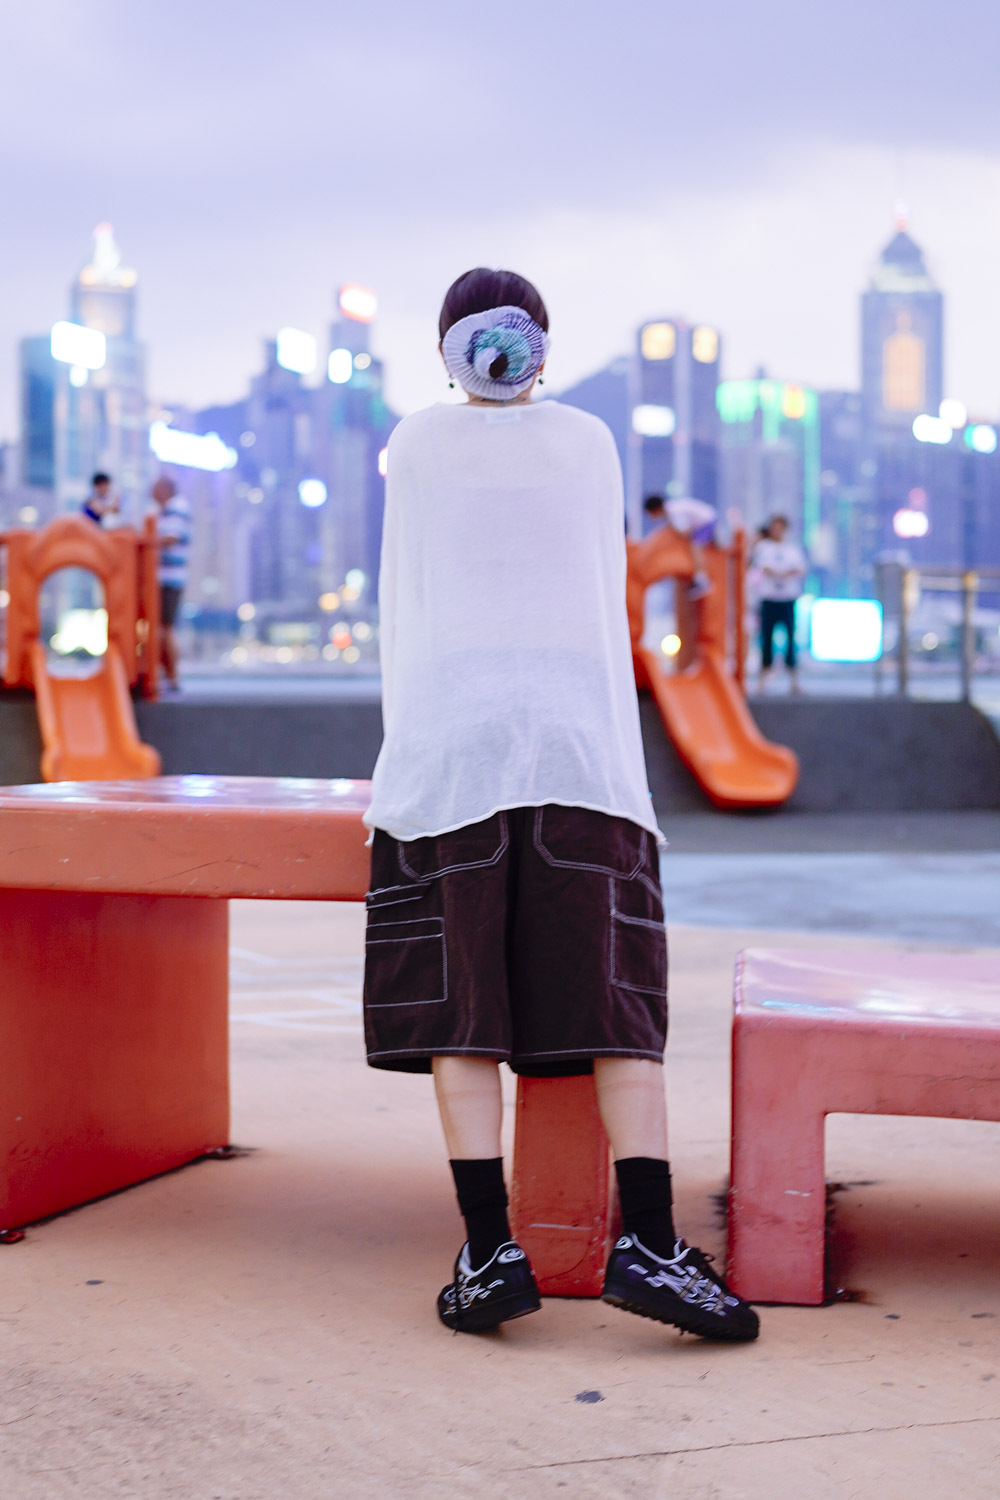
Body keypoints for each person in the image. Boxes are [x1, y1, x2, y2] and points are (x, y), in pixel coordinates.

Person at [362, 267, 759, 1343]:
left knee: (462, 1011)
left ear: (443, 350)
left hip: (449, 751)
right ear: (542, 345)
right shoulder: (589, 442)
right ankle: (650, 1245)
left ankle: (489, 1249)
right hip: (580, 749)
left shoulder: (416, 443)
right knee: (615, 1007)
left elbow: (409, 598)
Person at [752, 514, 806, 692]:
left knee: (791, 639)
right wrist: (780, 572)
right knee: (766, 640)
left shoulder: (793, 549)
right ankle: (762, 681)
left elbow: (800, 569)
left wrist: (782, 573)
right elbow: (761, 567)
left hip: (788, 600)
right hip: (769, 600)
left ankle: (794, 681)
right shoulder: (763, 547)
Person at [151, 476, 192, 692]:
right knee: (162, 628)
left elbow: (171, 538)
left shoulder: (176, 509)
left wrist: (147, 541)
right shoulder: (166, 511)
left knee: (165, 627)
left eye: (154, 488)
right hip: (165, 578)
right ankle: (167, 675)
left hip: (169, 578)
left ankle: (173, 676)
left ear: (164, 490)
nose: (151, 492)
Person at [642, 493, 715, 600]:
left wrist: (675, 533)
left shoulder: (673, 512)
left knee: (695, 547)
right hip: (703, 521)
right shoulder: (670, 512)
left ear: (655, 509)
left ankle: (702, 580)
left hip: (706, 521)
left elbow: (684, 531)